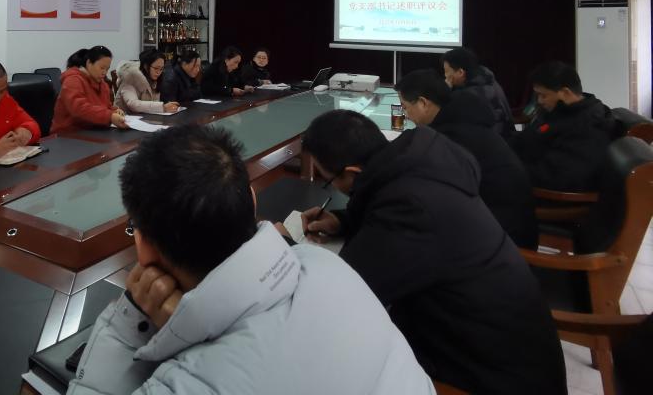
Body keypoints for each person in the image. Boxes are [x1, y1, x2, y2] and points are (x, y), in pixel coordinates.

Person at [68, 124, 434, 395]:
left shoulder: (184, 385)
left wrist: (125, 331)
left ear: (143, 246)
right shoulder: (329, 265)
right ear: (252, 200)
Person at [297, 110, 567, 395]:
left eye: (328, 180)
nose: (331, 186)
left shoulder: (411, 208)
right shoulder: (419, 167)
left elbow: (345, 290)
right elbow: (384, 213)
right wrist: (343, 221)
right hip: (503, 344)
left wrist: (282, 246)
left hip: (490, 374)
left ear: (353, 172)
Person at [396, 69, 538, 249]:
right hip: (506, 223)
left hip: (502, 240)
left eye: (405, 107)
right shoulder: (464, 119)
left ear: (423, 103)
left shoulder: (451, 138)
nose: (406, 115)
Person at [510, 61, 621, 191]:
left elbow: (558, 176)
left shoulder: (587, 126)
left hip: (546, 193)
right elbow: (527, 139)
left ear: (565, 93)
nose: (539, 101)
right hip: (526, 171)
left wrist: (509, 170)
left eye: (543, 95)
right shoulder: (560, 112)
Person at [441, 47, 516, 139]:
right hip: (505, 138)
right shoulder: (488, 80)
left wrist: (445, 91)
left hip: (493, 142)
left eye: (446, 71)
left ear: (460, 72)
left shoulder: (469, 96)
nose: (445, 75)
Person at [52, 46, 128, 133]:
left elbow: (105, 106)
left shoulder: (102, 84)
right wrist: (109, 116)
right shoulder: (73, 80)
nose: (104, 72)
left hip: (92, 131)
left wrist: (114, 110)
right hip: (68, 134)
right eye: (101, 68)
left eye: (107, 69)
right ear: (89, 63)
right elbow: (79, 109)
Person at [114, 50, 180, 115]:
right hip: (123, 117)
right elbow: (133, 104)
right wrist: (162, 107)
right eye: (156, 68)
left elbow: (154, 103)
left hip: (144, 117)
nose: (158, 72)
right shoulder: (130, 76)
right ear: (146, 66)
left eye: (161, 69)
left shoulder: (155, 78)